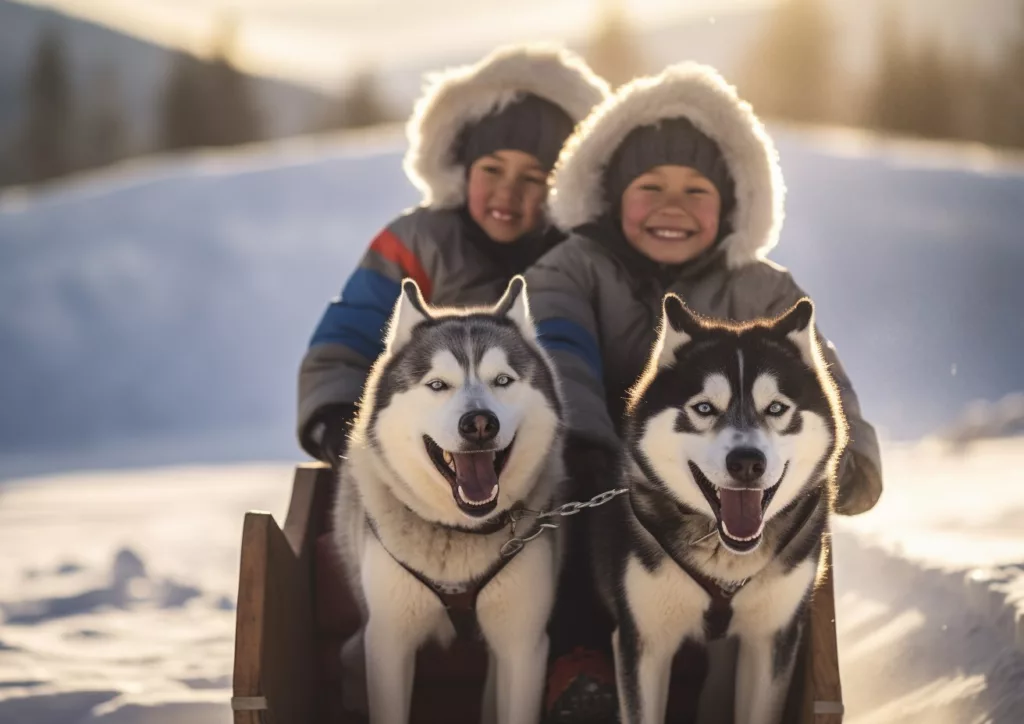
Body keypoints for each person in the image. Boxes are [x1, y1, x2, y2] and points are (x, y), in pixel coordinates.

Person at [297, 45, 608, 465]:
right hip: (426, 462)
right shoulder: (419, 243)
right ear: (462, 170)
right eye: (492, 170)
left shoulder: (576, 258)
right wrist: (339, 418)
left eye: (532, 177)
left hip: (551, 462)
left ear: (561, 188)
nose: (508, 191)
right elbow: (347, 340)